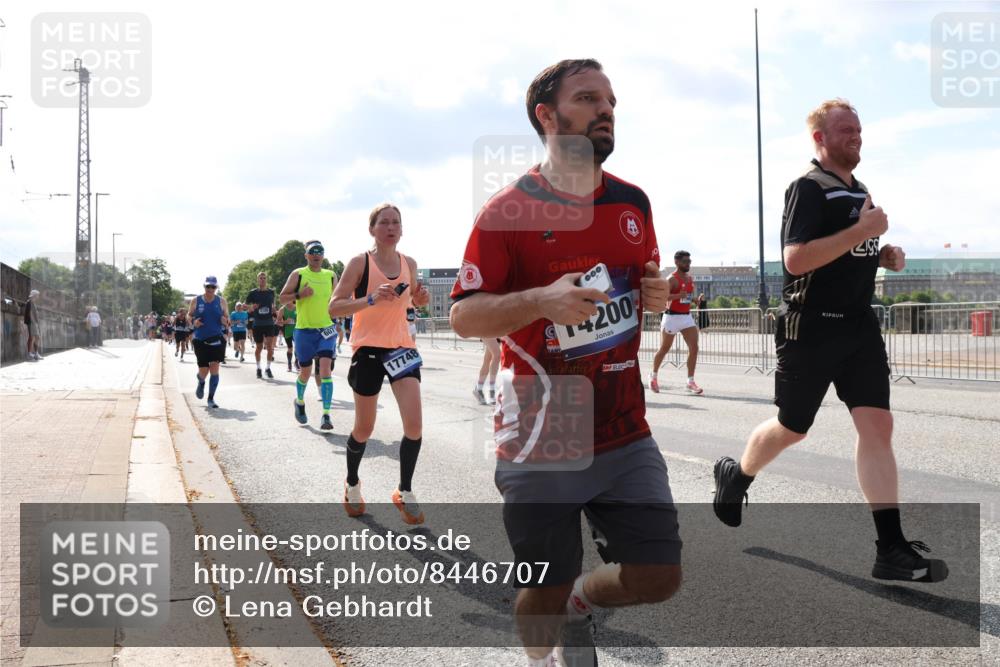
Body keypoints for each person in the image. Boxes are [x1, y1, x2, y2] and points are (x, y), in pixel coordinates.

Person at [449, 59, 679, 667]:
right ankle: (542, 655)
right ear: (547, 116)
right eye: (588, 98)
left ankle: (580, 603)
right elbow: (464, 316)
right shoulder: (506, 211)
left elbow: (643, 278)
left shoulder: (632, 201)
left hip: (625, 427)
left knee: (658, 576)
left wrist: (653, 292)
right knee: (542, 590)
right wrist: (540, 301)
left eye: (611, 100)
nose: (606, 110)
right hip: (541, 431)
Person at [712, 98, 947, 584]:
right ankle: (738, 475)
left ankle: (891, 548)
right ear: (820, 137)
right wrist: (862, 231)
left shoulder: (859, 189)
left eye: (858, 129)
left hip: (859, 328)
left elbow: (846, 252)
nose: (856, 137)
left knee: (878, 427)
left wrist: (881, 254)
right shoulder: (808, 187)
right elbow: (797, 259)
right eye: (845, 130)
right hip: (811, 327)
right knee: (793, 427)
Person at [329, 203, 431, 525]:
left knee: (414, 426)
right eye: (384, 222)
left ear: (402, 229)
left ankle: (404, 490)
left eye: (395, 222)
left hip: (402, 349)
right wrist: (369, 298)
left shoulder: (409, 263)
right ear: (372, 229)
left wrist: (420, 300)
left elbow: (411, 300)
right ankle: (352, 484)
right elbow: (334, 307)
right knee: (365, 428)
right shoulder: (359, 263)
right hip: (368, 350)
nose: (390, 227)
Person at [278, 240, 339, 431]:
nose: (316, 255)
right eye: (312, 251)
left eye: (320, 251)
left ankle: (326, 415)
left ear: (323, 255)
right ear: (306, 255)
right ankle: (299, 401)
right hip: (304, 330)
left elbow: (339, 299)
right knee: (305, 372)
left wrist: (339, 316)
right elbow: (282, 298)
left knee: (325, 369)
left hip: (326, 330)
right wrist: (299, 295)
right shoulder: (298, 274)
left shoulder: (331, 275)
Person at [649, 250, 703, 395]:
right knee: (664, 349)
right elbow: (662, 297)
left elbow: (686, 296)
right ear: (677, 262)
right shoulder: (671, 279)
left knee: (694, 348)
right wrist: (678, 295)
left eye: (689, 261)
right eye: (685, 262)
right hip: (671, 317)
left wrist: (694, 300)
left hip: (686, 317)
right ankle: (653, 377)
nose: (688, 264)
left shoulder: (690, 278)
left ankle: (690, 381)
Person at [189, 276, 229, 409]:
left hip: (216, 338)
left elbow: (227, 318)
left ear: (216, 287)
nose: (210, 289)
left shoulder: (221, 301)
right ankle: (201, 381)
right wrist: (193, 321)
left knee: (214, 368)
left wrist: (225, 321)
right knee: (203, 370)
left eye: (213, 286)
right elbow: (189, 315)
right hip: (200, 339)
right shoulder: (196, 300)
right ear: (204, 286)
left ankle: (211, 399)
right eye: (208, 286)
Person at [246, 272, 279, 378]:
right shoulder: (253, 293)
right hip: (258, 323)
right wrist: (252, 307)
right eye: (260, 278)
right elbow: (245, 306)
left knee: (270, 347)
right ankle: (258, 368)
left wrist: (274, 310)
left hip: (269, 322)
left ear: (266, 279)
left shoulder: (271, 292)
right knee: (259, 347)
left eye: (264, 278)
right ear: (257, 280)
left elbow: (273, 305)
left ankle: (268, 368)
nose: (262, 280)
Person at [473, 337, 501, 405]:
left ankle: (479, 388)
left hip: (497, 333)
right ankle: (492, 391)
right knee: (497, 355)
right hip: (488, 331)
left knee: (488, 359)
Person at [278, 302, 298, 372]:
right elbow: (278, 322)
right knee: (290, 348)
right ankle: (289, 364)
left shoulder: (297, 307)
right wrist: (285, 322)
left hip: (297, 330)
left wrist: (297, 321)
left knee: (298, 347)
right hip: (287, 331)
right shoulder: (282, 309)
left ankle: (296, 363)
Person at [23, 289, 42, 361]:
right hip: (31, 323)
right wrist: (34, 322)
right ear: (34, 295)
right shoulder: (29, 302)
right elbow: (30, 313)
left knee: (37, 337)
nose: (38, 297)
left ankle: (36, 353)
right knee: (32, 337)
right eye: (37, 295)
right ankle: (29, 354)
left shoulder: (32, 303)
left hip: (34, 323)